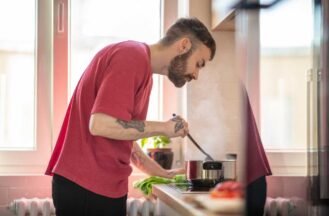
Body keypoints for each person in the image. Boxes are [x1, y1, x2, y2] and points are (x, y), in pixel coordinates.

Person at [45, 17, 216, 216]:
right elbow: (100, 125)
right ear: (184, 45)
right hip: (86, 188)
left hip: (101, 188)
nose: (196, 75)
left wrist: (161, 173)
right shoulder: (130, 57)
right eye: (199, 63)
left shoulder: (143, 71)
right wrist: (164, 128)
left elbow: (121, 134)